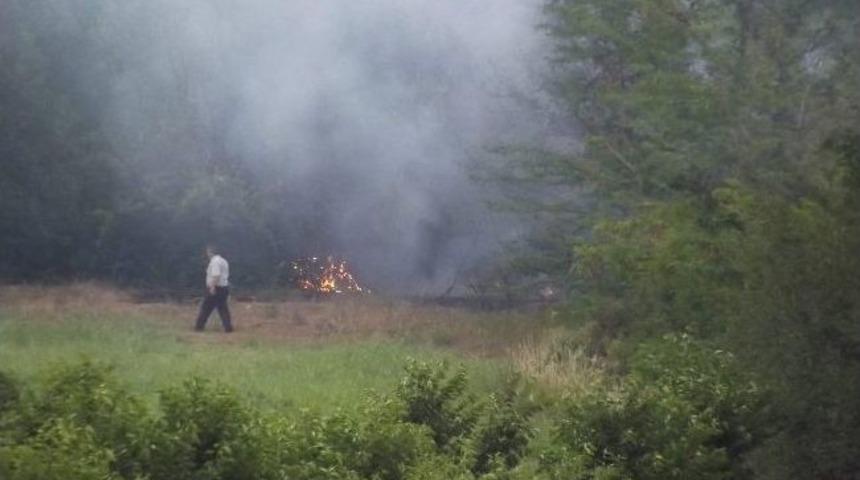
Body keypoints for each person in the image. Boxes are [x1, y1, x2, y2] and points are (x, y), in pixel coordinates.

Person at [194, 244, 233, 332]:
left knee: (206, 308)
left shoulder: (215, 261)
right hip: (224, 288)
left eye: (207, 252)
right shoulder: (224, 261)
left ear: (210, 252)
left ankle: (199, 327)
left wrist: (212, 287)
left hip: (216, 288)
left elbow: (216, 275)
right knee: (223, 309)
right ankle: (228, 327)